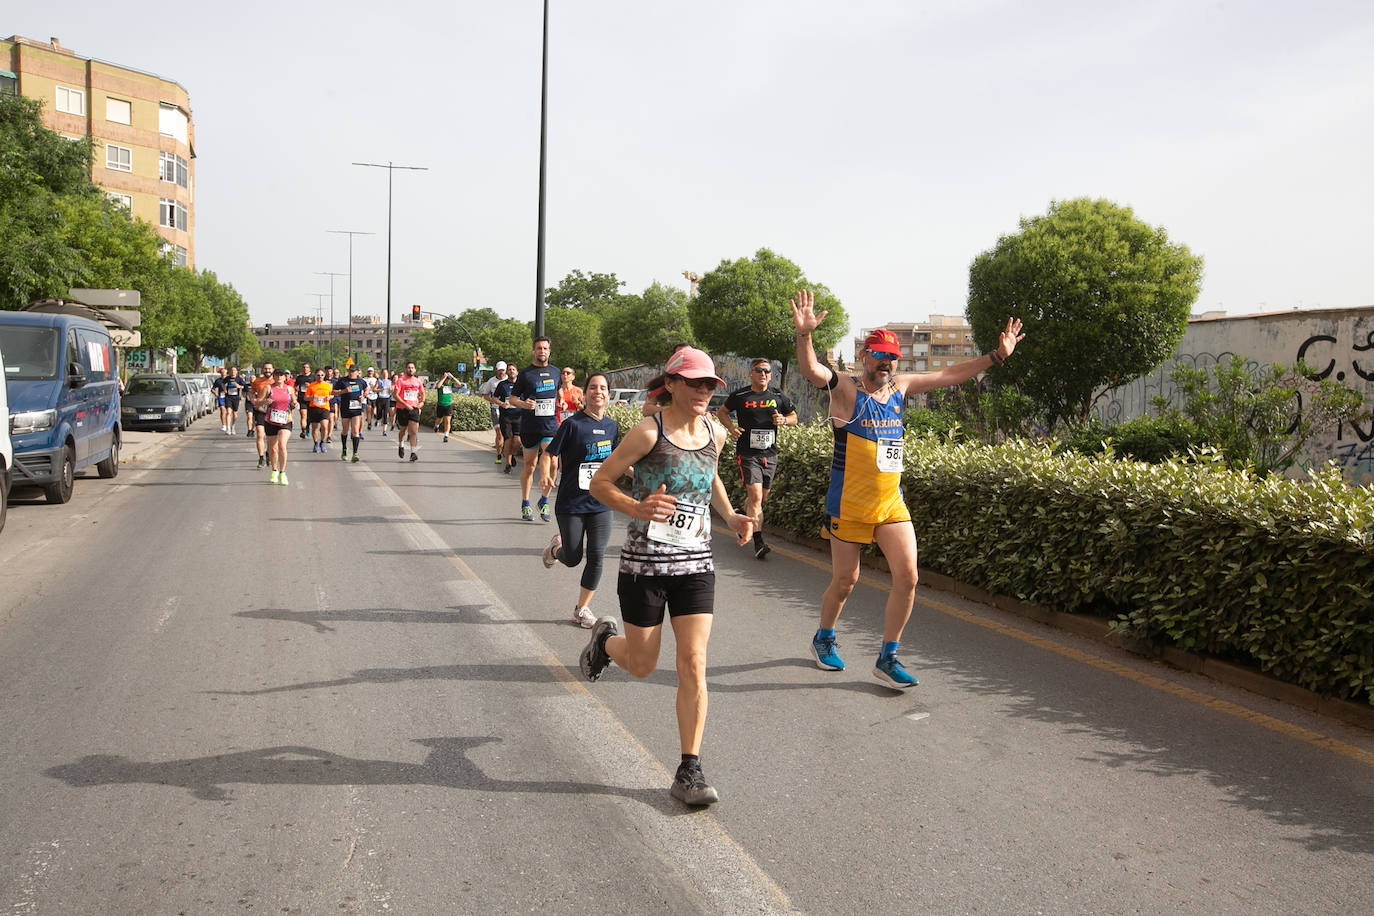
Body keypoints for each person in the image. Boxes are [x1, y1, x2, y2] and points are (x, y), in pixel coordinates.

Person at [790, 288, 1023, 689]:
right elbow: (812, 370)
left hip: (890, 505)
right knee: (846, 581)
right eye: (879, 355)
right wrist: (804, 334)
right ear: (864, 355)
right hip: (848, 505)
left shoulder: (900, 388)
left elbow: (949, 374)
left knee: (909, 576)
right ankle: (824, 637)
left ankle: (888, 656)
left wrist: (996, 356)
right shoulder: (845, 389)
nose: (886, 362)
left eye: (893, 357)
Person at [580, 346, 754, 807]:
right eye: (694, 383)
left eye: (709, 384)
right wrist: (637, 507)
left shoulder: (716, 431)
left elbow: (710, 476)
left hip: (696, 565)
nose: (703, 391)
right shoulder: (647, 432)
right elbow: (600, 482)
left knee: (693, 661)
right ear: (672, 384)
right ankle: (605, 642)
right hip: (645, 567)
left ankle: (689, 769)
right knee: (642, 665)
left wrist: (730, 515)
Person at [538, 373, 617, 628]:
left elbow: (617, 460)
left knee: (597, 555)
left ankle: (581, 608)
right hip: (572, 502)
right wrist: (546, 475)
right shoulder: (572, 425)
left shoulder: (612, 427)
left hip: (601, 503)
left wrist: (641, 477)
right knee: (572, 558)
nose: (598, 391)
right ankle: (554, 550)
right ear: (584, 393)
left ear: (608, 394)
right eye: (593, 387)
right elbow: (549, 454)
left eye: (603, 388)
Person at [717, 358, 797, 560]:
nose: (763, 374)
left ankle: (742, 515)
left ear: (770, 375)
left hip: (770, 454)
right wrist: (732, 428)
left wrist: (784, 420)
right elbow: (722, 412)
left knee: (761, 498)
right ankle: (759, 542)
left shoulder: (777, 395)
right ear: (750, 373)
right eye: (759, 370)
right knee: (755, 497)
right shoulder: (740, 395)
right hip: (747, 453)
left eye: (767, 371)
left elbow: (793, 417)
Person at [509, 337, 559, 521]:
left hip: (550, 426)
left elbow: (557, 394)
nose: (542, 351)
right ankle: (525, 502)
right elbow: (512, 399)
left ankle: (544, 500)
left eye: (545, 348)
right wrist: (523, 404)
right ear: (534, 351)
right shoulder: (525, 374)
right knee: (530, 466)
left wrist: (563, 402)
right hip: (530, 426)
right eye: (539, 348)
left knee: (553, 462)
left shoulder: (555, 372)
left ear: (549, 351)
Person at [254, 368, 299, 485]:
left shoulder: (289, 389)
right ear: (273, 377)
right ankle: (274, 470)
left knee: (282, 445)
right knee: (273, 448)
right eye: (277, 375)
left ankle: (282, 472)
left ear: (285, 377)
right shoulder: (268, 388)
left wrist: (296, 404)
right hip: (271, 421)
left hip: (285, 420)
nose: (279, 377)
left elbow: (294, 401)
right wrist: (265, 401)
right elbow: (257, 402)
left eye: (281, 375)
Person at [641, 342, 694, 417]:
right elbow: (646, 410)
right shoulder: (665, 386)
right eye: (680, 355)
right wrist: (671, 410)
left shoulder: (703, 384)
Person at [393, 361, 425, 461]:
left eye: (412, 368)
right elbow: (395, 395)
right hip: (402, 408)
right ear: (406, 369)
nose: (410, 369)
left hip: (414, 408)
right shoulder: (401, 381)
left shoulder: (418, 381)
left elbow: (422, 393)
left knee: (413, 431)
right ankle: (401, 445)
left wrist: (421, 403)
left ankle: (413, 453)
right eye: (409, 367)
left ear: (415, 370)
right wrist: (405, 404)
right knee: (403, 430)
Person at [335, 364, 367, 462]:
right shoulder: (342, 380)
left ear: (357, 372)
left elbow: (367, 389)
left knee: (355, 430)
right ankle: (344, 449)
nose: (351, 373)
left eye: (353, 371)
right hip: (345, 407)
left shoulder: (361, 381)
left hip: (356, 408)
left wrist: (363, 396)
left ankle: (355, 453)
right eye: (350, 371)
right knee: (345, 430)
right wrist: (344, 391)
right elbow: (333, 392)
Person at [494, 364, 522, 473]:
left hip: (519, 416)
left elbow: (528, 398)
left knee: (518, 441)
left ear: (517, 372)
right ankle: (508, 464)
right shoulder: (502, 385)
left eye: (513, 369)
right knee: (508, 440)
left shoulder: (522, 384)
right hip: (506, 417)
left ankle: (512, 454)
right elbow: (494, 398)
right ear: (507, 372)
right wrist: (501, 403)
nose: (511, 371)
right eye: (509, 369)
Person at [479, 361, 508, 464]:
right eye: (499, 370)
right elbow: (485, 395)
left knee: (507, 433)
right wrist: (494, 401)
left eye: (503, 370)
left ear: (506, 370)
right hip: (495, 409)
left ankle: (507, 452)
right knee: (499, 432)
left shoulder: (509, 379)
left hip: (507, 409)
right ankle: (499, 455)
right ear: (496, 370)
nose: (501, 372)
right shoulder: (491, 381)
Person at [250, 362, 275, 468]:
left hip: (273, 412)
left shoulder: (276, 381)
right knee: (260, 434)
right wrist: (253, 400)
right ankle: (261, 458)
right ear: (262, 369)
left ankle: (268, 453)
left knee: (270, 437)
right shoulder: (257, 381)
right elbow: (251, 392)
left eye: (269, 369)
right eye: (265, 369)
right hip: (260, 410)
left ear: (273, 369)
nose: (267, 371)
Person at [305, 369, 334, 453]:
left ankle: (322, 442)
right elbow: (305, 398)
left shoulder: (327, 385)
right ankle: (315, 443)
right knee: (314, 427)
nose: (320, 377)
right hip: (314, 408)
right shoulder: (311, 385)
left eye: (322, 375)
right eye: (318, 375)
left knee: (324, 426)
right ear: (315, 376)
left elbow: (332, 394)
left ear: (324, 376)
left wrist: (329, 397)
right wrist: (312, 397)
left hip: (324, 408)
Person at [221, 366, 247, 437]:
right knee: (228, 412)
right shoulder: (227, 378)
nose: (233, 372)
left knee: (235, 414)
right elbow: (223, 383)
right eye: (232, 370)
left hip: (236, 397)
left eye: (234, 370)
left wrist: (239, 386)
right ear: (230, 371)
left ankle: (233, 426)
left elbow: (244, 386)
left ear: (236, 371)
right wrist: (224, 390)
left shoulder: (239, 378)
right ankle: (228, 428)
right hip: (228, 397)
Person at [433, 371, 458, 442]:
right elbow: (437, 386)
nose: (448, 381)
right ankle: (436, 426)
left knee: (447, 421)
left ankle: (446, 436)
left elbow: (459, 384)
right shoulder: (440, 383)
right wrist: (443, 378)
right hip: (440, 405)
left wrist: (453, 377)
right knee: (439, 419)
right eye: (447, 379)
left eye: (449, 379)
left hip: (448, 405)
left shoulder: (451, 384)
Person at [294, 362, 313, 438]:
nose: (305, 369)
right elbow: (295, 386)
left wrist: (310, 386)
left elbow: (317, 387)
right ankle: (303, 431)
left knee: (309, 416)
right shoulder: (299, 378)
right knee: (303, 415)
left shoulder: (313, 377)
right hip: (302, 398)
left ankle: (307, 427)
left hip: (311, 399)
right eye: (304, 367)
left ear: (309, 369)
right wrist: (296, 389)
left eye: (307, 367)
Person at [375, 369, 394, 436]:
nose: (385, 374)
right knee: (379, 413)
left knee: (386, 414)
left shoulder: (389, 382)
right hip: (380, 398)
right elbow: (374, 389)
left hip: (387, 399)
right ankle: (377, 420)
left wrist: (391, 390)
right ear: (381, 374)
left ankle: (384, 431)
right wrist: (380, 389)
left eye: (386, 373)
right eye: (383, 373)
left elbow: (391, 391)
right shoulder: (379, 381)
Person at [212, 366, 228, 431]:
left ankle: (228, 423)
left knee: (229, 411)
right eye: (222, 372)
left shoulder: (229, 379)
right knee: (222, 410)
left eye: (224, 372)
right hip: (221, 396)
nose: (223, 373)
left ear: (226, 373)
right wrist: (216, 394)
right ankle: (223, 425)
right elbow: (212, 389)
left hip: (228, 396)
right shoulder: (218, 380)